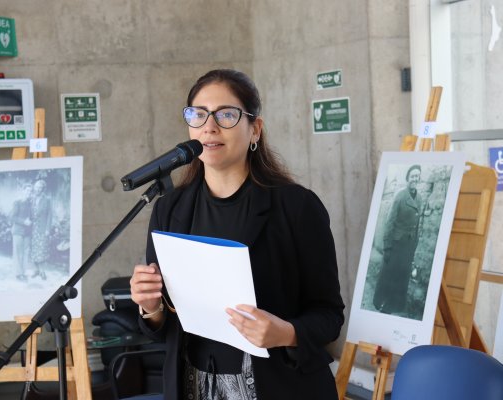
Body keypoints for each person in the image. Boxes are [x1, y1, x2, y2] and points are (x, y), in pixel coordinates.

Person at [130, 69, 344, 400]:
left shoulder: (296, 207)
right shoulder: (169, 209)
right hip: (193, 386)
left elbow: (329, 315)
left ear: (254, 129)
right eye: (198, 115)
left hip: (279, 387)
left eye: (226, 115)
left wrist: (285, 333)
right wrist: (150, 307)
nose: (209, 126)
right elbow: (164, 329)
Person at [373, 164, 423, 314]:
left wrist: (415, 245)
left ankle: (396, 305)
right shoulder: (400, 196)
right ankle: (381, 302)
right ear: (408, 178)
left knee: (402, 276)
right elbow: (390, 222)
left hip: (408, 246)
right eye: (412, 176)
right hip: (396, 244)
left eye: (417, 176)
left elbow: (417, 224)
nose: (415, 178)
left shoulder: (419, 198)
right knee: (389, 275)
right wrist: (387, 246)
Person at [10, 182, 33, 281]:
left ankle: (23, 273)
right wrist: (24, 222)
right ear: (23, 191)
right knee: (18, 253)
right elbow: (12, 217)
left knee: (26, 253)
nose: (29, 193)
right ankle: (18, 274)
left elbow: (31, 217)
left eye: (30, 191)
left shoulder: (30, 203)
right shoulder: (17, 202)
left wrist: (31, 222)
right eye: (27, 190)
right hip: (18, 231)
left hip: (27, 232)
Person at [30, 179, 52, 280]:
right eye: (36, 187)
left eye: (40, 188)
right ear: (34, 188)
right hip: (33, 228)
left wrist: (47, 229)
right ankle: (36, 270)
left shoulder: (47, 199)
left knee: (42, 249)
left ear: (43, 189)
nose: (38, 189)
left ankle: (42, 271)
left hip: (42, 228)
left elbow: (50, 215)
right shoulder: (32, 198)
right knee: (34, 249)